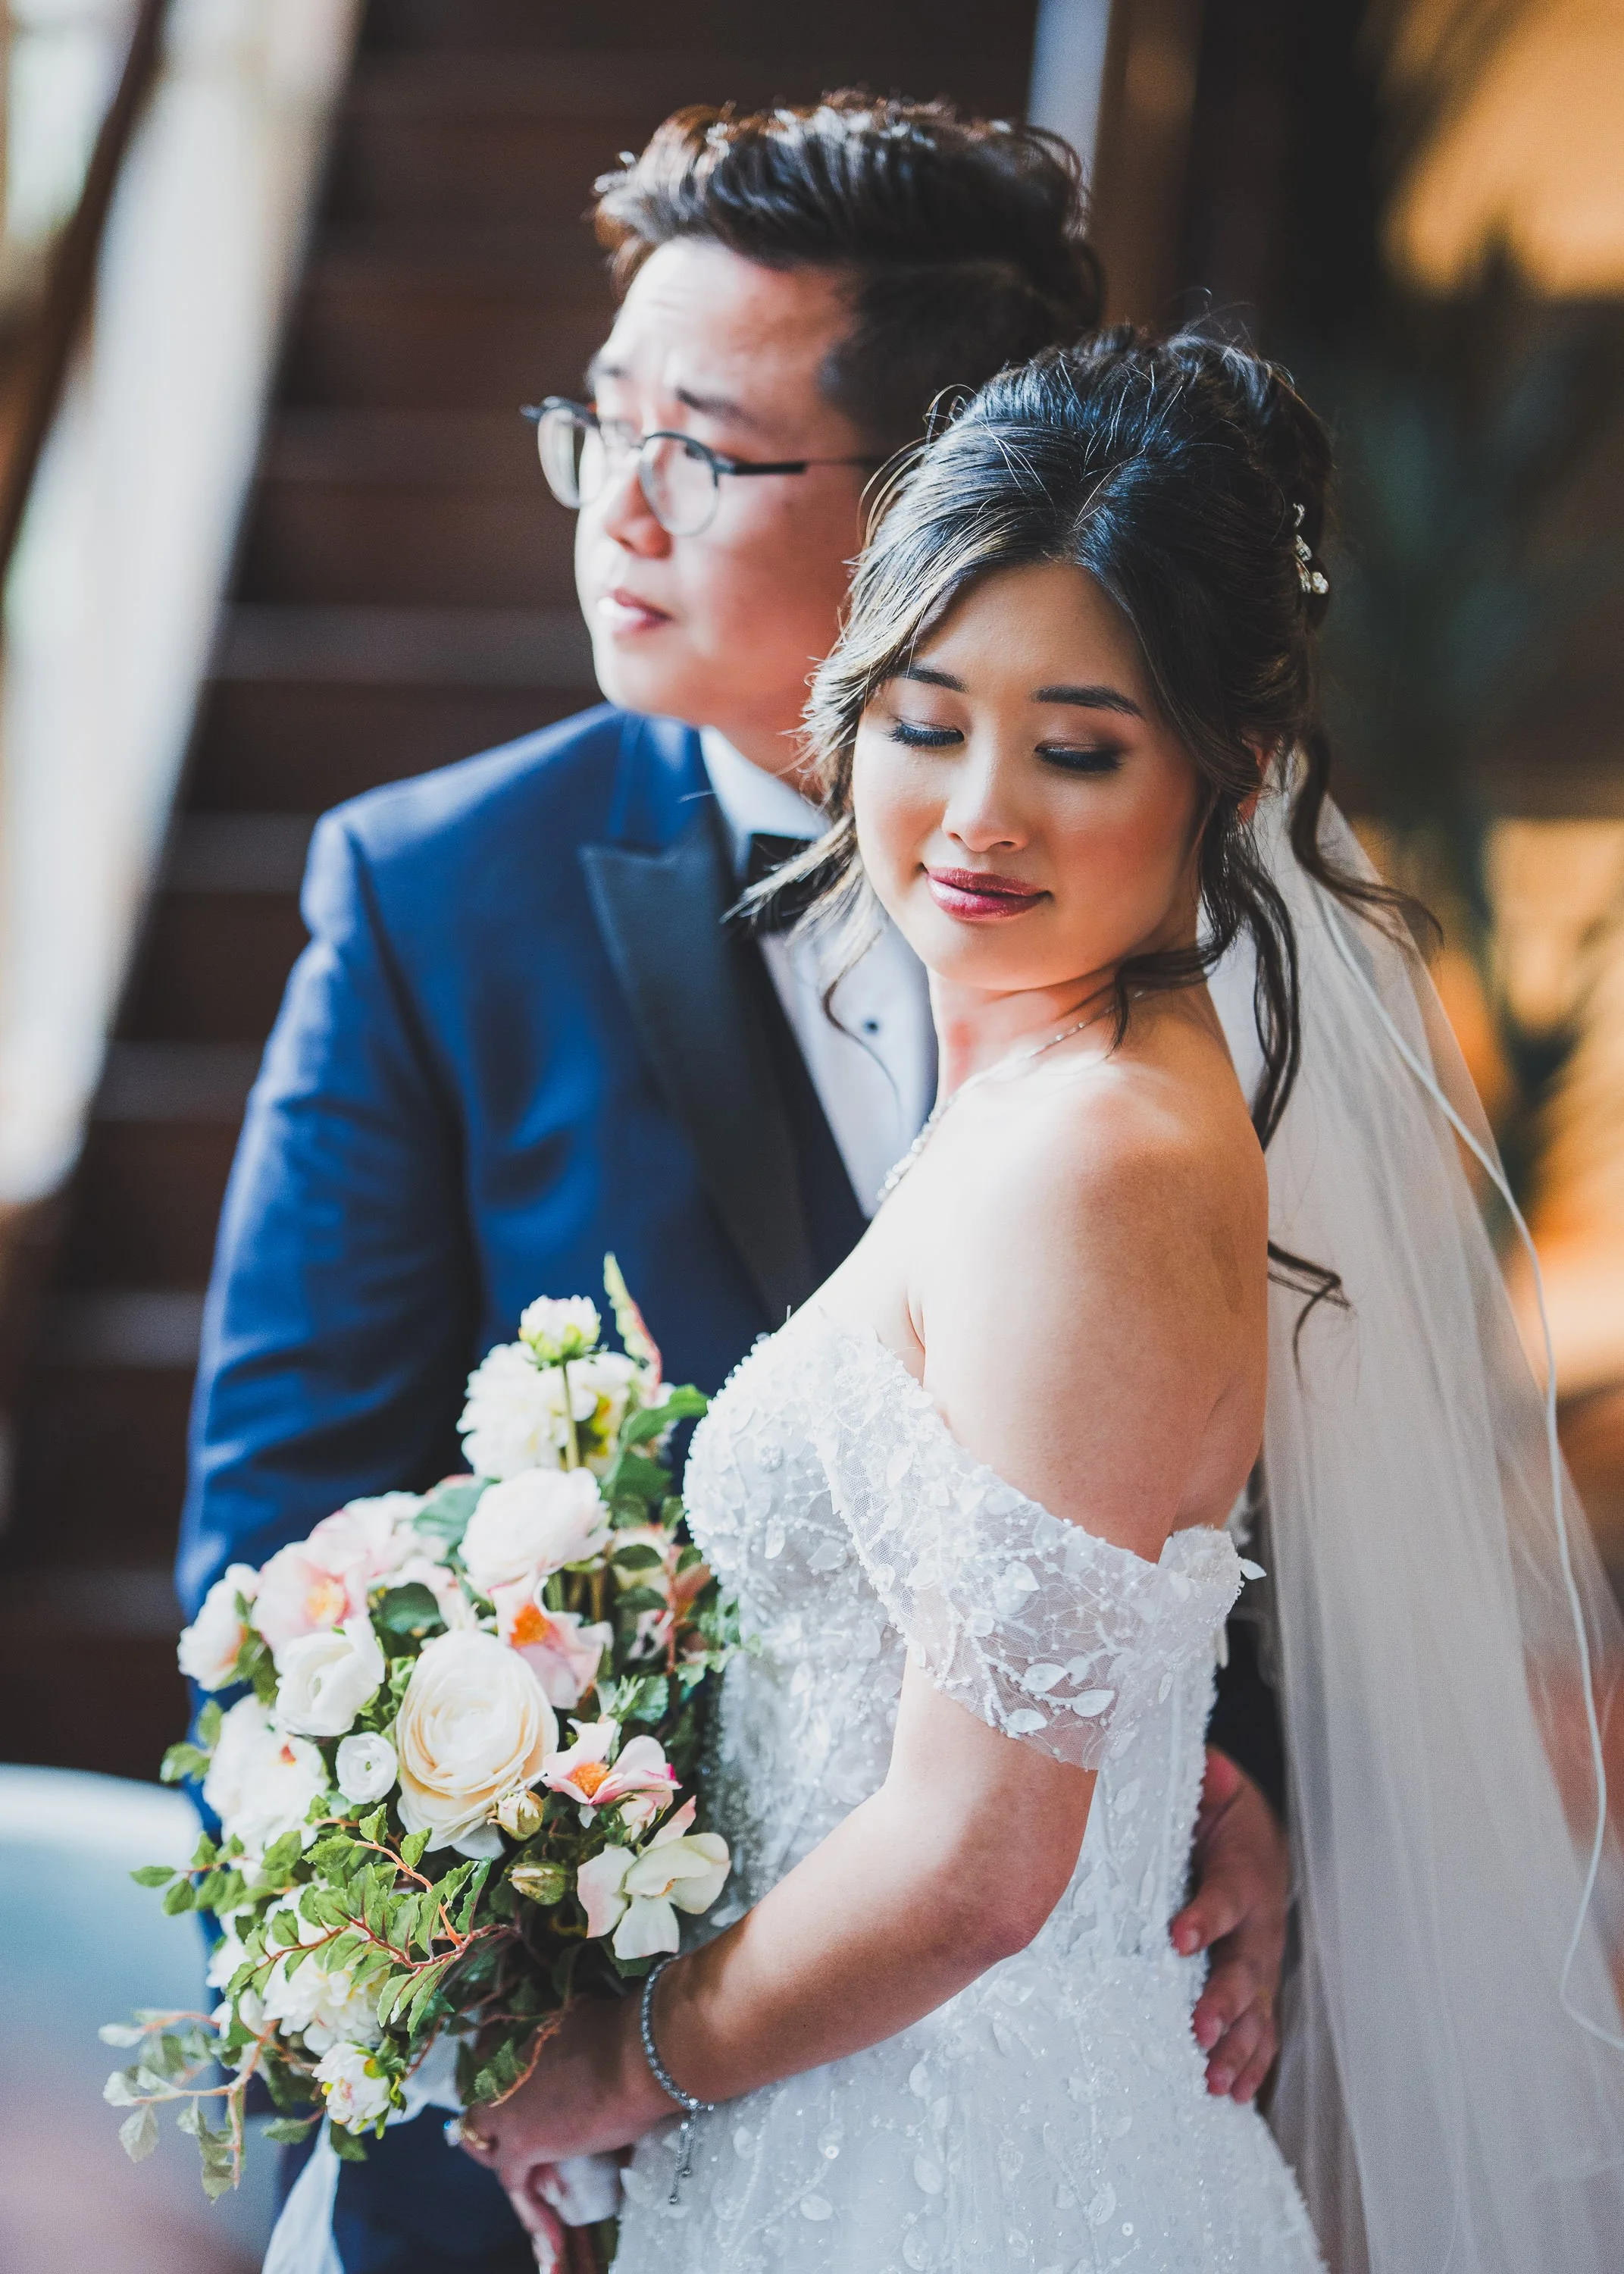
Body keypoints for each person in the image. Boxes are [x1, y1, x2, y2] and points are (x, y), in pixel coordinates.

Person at [178, 96, 1288, 2270]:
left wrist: (1213, 1784)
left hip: (996, 2126)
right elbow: (271, 1581)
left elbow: (1189, 1505)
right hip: (553, 2172)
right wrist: (510, 2034)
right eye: (596, 426)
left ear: (941, 484)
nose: (620, 507)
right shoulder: (432, 901)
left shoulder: (1194, 949)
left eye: (706, 446)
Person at [458, 333, 1624, 2272]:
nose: (978, 812)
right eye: (926, 722)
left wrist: (615, 2065)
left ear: (1225, 769)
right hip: (857, 2129)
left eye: (1075, 747)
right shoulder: (1043, 1096)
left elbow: (981, 1866)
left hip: (969, 2177)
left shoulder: (1097, 1159)